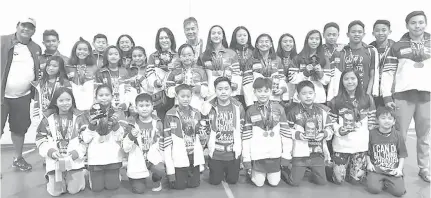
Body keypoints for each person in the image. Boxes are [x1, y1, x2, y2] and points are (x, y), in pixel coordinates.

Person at [381, 10, 430, 182]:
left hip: (426, 98)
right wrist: (387, 97)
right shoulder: (397, 46)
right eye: (413, 23)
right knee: (399, 135)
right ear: (407, 25)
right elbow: (387, 73)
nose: (417, 26)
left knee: (424, 136)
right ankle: (395, 166)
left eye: (421, 22)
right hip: (403, 97)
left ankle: (424, 168)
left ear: (425, 23)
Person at [1, 17, 42, 171]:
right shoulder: (3, 41)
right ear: (17, 26)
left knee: (20, 128)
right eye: (23, 25)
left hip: (23, 96)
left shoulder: (36, 48)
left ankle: (18, 158)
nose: (26, 29)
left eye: (30, 27)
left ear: (34, 31)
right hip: (2, 96)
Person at [35, 87, 87, 196]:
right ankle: (51, 176)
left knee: (74, 190)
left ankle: (80, 173)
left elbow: (85, 139)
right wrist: (51, 152)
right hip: (55, 160)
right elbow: (41, 139)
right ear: (55, 102)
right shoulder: (47, 118)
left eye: (68, 100)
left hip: (73, 160)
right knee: (56, 192)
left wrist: (76, 153)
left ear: (72, 100)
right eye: (61, 100)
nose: (65, 103)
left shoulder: (79, 118)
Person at [328, 69, 376, 185]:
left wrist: (367, 128)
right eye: (346, 79)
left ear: (358, 81)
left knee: (357, 180)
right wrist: (340, 130)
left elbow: (372, 120)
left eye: (353, 78)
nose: (350, 82)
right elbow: (331, 123)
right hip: (341, 145)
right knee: (338, 180)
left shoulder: (368, 99)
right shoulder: (335, 101)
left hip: (360, 146)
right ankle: (333, 165)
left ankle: (354, 165)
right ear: (342, 82)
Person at [242, 77, 291, 187]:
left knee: (274, 183)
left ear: (270, 91)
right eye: (259, 91)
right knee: (258, 183)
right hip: (258, 154)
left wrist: (286, 155)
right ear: (254, 92)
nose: (263, 94)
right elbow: (246, 136)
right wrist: (247, 159)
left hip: (274, 153)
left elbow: (285, 133)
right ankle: (252, 172)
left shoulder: (279, 108)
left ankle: (276, 170)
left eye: (266, 91)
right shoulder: (250, 111)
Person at [284, 80, 333, 187]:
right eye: (304, 94)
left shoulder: (322, 111)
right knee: (294, 182)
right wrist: (298, 135)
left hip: (317, 152)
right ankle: (285, 170)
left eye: (310, 93)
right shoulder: (293, 112)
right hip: (300, 153)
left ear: (315, 94)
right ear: (298, 96)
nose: (308, 96)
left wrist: (324, 134)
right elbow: (287, 131)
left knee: (322, 182)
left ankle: (312, 172)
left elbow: (330, 129)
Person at [201, 77, 245, 185]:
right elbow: (204, 128)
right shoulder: (208, 107)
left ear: (231, 90)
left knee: (232, 181)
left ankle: (233, 167)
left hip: (232, 153)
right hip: (216, 153)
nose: (223, 92)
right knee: (215, 182)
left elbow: (242, 129)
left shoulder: (238, 107)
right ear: (215, 91)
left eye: (226, 88)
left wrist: (241, 152)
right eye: (220, 89)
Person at [162, 84, 207, 190]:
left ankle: (192, 171)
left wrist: (203, 137)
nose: (186, 99)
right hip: (179, 157)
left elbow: (201, 135)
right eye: (182, 96)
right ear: (176, 96)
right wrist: (170, 169)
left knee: (194, 185)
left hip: (193, 155)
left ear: (192, 96)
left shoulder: (196, 113)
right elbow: (167, 141)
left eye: (188, 96)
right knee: (179, 187)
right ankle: (170, 175)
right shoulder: (170, 114)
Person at [82, 85, 124, 192]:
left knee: (112, 187)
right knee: (97, 189)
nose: (104, 97)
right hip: (96, 157)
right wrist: (91, 127)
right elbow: (85, 139)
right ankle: (90, 173)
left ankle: (116, 174)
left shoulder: (118, 113)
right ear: (95, 97)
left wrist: (115, 126)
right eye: (101, 95)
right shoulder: (88, 114)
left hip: (112, 156)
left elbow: (120, 137)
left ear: (112, 96)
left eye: (107, 95)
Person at [122, 93, 165, 193]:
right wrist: (131, 136)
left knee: (160, 168)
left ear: (152, 107)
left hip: (152, 157)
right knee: (138, 190)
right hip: (137, 158)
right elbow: (125, 147)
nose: (144, 109)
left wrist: (163, 156)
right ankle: (134, 179)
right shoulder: (131, 123)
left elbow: (162, 141)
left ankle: (156, 180)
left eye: (147, 105)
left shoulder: (158, 122)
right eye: (141, 106)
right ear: (136, 108)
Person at [327, 20, 379, 103]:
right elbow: (336, 76)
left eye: (360, 32)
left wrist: (368, 95)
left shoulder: (371, 51)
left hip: (364, 95)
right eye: (353, 32)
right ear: (348, 34)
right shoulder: (341, 52)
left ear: (364, 34)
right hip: (344, 97)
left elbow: (373, 75)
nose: (357, 34)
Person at [366, 106, 407, 197]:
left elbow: (402, 154)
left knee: (399, 192)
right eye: (383, 118)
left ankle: (387, 181)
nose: (387, 121)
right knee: (374, 189)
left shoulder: (398, 135)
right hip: (376, 169)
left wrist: (399, 169)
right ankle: (377, 179)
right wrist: (369, 163)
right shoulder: (371, 134)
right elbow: (367, 152)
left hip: (392, 170)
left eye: (390, 118)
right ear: (377, 120)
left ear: (394, 121)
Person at [243, 34, 288, 107]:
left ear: (271, 44)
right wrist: (249, 103)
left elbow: (282, 79)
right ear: (257, 45)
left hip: (274, 98)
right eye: (261, 42)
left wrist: (282, 89)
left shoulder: (277, 60)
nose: (264, 44)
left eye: (266, 41)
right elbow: (247, 83)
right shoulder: (251, 61)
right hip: (257, 99)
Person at [289, 30, 331, 104]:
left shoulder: (325, 59)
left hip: (318, 99)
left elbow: (327, 81)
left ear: (320, 41)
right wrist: (304, 73)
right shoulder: (298, 58)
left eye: (317, 39)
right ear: (307, 40)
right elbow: (292, 79)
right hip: (300, 100)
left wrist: (320, 73)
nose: (314, 41)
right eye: (311, 39)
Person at [200, 25, 241, 101]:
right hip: (210, 93)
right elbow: (201, 75)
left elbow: (236, 75)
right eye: (213, 33)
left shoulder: (232, 53)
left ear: (223, 36)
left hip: (228, 92)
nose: (216, 35)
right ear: (210, 36)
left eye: (219, 33)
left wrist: (233, 86)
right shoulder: (203, 55)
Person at [147, 27, 179, 121]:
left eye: (167, 37)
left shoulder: (178, 56)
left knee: (173, 122)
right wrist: (156, 82)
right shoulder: (153, 56)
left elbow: (180, 74)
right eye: (161, 38)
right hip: (159, 97)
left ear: (171, 39)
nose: (164, 40)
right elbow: (149, 74)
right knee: (160, 122)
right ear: (158, 40)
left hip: (174, 96)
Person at [166, 44, 209, 112]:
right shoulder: (174, 72)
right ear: (179, 57)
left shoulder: (201, 71)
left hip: (197, 106)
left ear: (194, 55)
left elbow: (206, 92)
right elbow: (168, 92)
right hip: (179, 107)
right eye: (184, 55)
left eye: (189, 55)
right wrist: (179, 89)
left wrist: (199, 88)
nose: (187, 58)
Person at [369, 20, 395, 107]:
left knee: (389, 118)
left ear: (389, 32)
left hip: (391, 91)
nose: (380, 33)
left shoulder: (396, 48)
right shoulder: (369, 49)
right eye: (377, 30)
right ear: (373, 33)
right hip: (373, 91)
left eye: (384, 30)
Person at [67, 37, 97, 111]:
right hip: (73, 102)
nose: (82, 52)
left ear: (89, 52)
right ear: (75, 51)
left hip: (89, 102)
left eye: (85, 50)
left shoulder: (94, 67)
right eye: (79, 49)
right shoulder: (68, 66)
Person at [229, 26, 255, 106]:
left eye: (244, 35)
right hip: (235, 87)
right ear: (235, 38)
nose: (242, 38)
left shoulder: (254, 51)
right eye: (239, 36)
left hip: (250, 85)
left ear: (248, 37)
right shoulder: (229, 51)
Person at [276, 33, 298, 109]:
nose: (288, 44)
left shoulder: (298, 58)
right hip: (279, 91)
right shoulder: (275, 58)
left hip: (294, 92)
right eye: (285, 41)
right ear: (280, 44)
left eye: (290, 41)